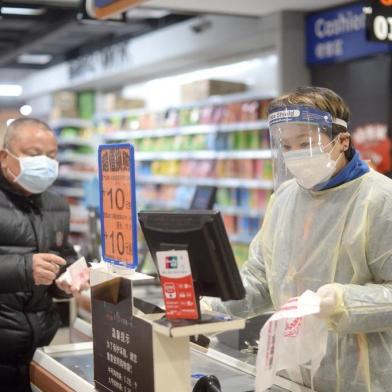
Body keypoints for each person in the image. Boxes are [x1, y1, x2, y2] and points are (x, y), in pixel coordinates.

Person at [208, 86, 392, 391]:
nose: (294, 155)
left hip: (363, 376)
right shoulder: (284, 199)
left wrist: (342, 302)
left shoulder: (380, 199)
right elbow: (261, 277)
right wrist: (215, 303)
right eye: (286, 146)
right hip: (293, 375)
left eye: (305, 143)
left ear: (342, 141)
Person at [0, 118, 87, 391]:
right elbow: (30, 267)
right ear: (5, 157)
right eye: (34, 154)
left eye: (51, 156)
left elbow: (63, 257)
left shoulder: (57, 205)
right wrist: (26, 269)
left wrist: (68, 280)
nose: (45, 163)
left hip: (40, 347)